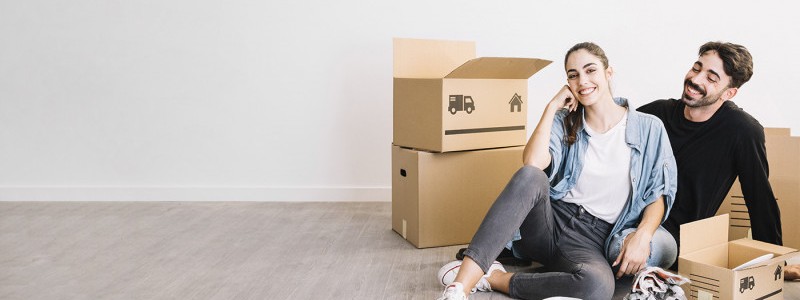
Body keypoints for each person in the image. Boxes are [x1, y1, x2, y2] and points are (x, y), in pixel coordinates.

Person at [435, 42, 679, 300]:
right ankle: (459, 287)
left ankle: (494, 278)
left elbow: (658, 194)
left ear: (609, 73)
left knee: (598, 287)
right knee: (531, 176)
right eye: (573, 75)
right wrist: (551, 108)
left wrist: (643, 234)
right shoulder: (565, 122)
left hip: (594, 239)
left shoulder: (649, 128)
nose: (582, 81)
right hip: (549, 222)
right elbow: (532, 162)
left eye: (590, 70)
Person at [636, 42, 786, 272]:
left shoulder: (741, 131)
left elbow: (759, 199)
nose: (696, 79)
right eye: (697, 68)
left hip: (671, 238)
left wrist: (775, 263)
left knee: (625, 252)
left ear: (729, 93)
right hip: (628, 220)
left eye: (711, 78)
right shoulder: (657, 114)